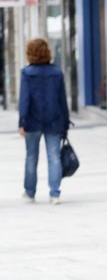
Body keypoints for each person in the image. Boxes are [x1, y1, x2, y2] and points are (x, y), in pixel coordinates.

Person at [18, 38, 70, 205]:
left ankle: (30, 193)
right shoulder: (56, 72)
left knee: (31, 157)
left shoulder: (27, 73)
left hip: (32, 121)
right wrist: (66, 122)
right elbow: (62, 100)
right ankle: (54, 194)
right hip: (54, 121)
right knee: (54, 157)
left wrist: (22, 122)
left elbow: (24, 100)